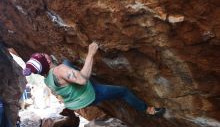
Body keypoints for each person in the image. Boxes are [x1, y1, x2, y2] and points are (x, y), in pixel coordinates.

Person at [23, 42, 165, 117]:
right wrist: (91, 53)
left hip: (75, 101)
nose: (44, 53)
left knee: (66, 62)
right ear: (47, 61)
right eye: (43, 55)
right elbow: (83, 80)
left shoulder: (47, 79)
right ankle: (147, 110)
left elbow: (64, 76)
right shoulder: (60, 70)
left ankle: (74, 72)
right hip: (89, 95)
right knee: (124, 91)